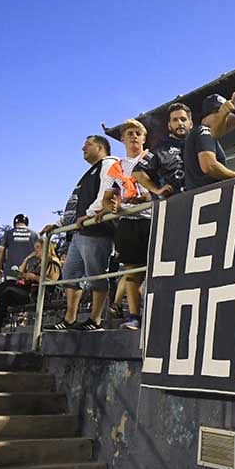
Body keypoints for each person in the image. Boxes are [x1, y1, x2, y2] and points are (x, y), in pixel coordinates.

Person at [42, 135, 118, 331]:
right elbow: (75, 204)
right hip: (78, 232)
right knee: (70, 275)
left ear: (101, 147)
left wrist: (90, 214)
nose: (83, 147)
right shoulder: (89, 172)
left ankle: (95, 320)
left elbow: (107, 192)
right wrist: (59, 223)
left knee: (96, 275)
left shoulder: (109, 163)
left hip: (96, 229)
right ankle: (69, 319)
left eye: (88, 143)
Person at [102, 119, 152, 331]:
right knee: (131, 272)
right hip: (128, 222)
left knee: (154, 268)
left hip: (152, 218)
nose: (133, 136)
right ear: (122, 138)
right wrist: (110, 208)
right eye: (129, 133)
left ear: (143, 138)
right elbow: (108, 196)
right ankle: (134, 316)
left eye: (137, 133)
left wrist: (145, 197)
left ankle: (154, 313)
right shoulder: (116, 167)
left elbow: (161, 186)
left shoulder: (152, 158)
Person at [0, 239, 60, 331]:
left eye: (38, 247)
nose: (35, 250)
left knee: (7, 292)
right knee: (8, 284)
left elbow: (52, 281)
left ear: (45, 248)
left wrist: (34, 277)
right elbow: (20, 273)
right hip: (30, 289)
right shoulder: (37, 263)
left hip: (39, 294)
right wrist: (27, 259)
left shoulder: (53, 262)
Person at [134, 102, 191, 197]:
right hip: (175, 203)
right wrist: (157, 190)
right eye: (175, 120)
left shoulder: (200, 142)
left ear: (191, 123)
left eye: (183, 119)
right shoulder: (159, 149)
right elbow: (137, 171)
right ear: (169, 126)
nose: (180, 123)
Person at [184, 99, 235, 190]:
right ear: (215, 113)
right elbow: (209, 166)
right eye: (223, 116)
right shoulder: (204, 131)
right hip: (207, 194)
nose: (225, 121)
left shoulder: (198, 133)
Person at [0, 214, 38, 282]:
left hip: (11, 271)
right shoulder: (35, 234)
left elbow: (1, 251)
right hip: (29, 272)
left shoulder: (8, 233)